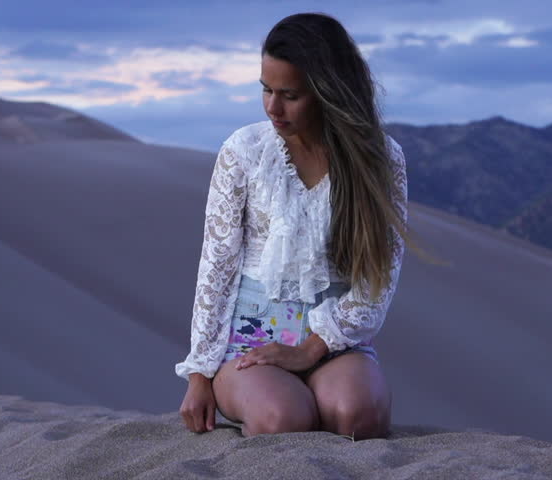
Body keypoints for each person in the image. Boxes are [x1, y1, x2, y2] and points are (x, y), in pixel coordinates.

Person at [176, 12, 415, 440]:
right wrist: (199, 373)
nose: (273, 107)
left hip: (337, 336)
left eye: (290, 94)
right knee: (283, 420)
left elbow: (379, 276)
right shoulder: (244, 151)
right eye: (266, 90)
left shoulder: (381, 158)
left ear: (329, 93)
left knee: (357, 415)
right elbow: (216, 267)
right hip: (250, 338)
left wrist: (311, 348)